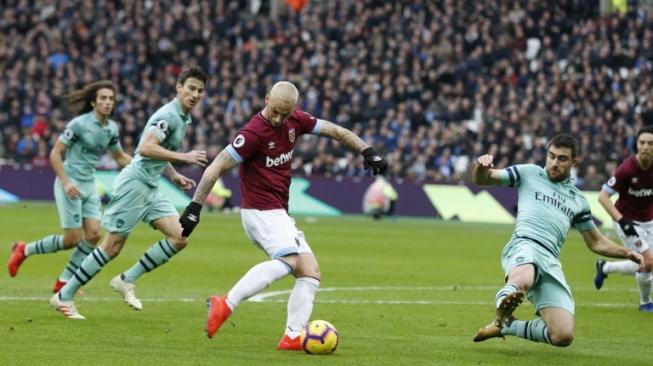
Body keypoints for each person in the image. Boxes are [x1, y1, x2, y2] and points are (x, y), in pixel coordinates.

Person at [178, 81, 387, 350]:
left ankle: (292, 335)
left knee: (310, 272)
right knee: (289, 260)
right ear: (266, 99)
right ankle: (225, 303)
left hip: (278, 212)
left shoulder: (296, 121)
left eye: (284, 114)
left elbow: (335, 131)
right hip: (260, 211)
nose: (278, 118)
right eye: (274, 111)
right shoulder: (253, 133)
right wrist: (195, 207)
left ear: (294, 109)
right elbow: (217, 165)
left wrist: (366, 150)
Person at [50, 65, 209, 319]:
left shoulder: (182, 117)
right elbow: (145, 148)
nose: (196, 94)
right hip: (135, 185)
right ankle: (64, 296)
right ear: (179, 87)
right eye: (191, 88)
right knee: (111, 247)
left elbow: (158, 151)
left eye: (200, 90)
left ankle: (126, 279)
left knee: (180, 236)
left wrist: (174, 174)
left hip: (152, 186)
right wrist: (184, 157)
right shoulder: (168, 115)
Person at [471, 134, 644, 347]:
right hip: (525, 243)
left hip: (551, 261)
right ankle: (503, 305)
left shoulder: (578, 200)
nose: (554, 163)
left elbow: (596, 242)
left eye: (562, 158)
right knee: (522, 279)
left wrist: (626, 252)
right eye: (551, 156)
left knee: (563, 336)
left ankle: (506, 326)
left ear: (574, 162)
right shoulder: (529, 173)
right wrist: (481, 166)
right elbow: (483, 179)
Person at [7, 80, 131, 293]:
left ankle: (63, 282)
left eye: (111, 99)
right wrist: (65, 182)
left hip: (89, 184)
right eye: (103, 98)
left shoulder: (111, 128)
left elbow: (119, 157)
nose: (108, 102)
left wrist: (143, 165)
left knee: (93, 235)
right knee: (72, 239)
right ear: (93, 102)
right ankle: (24, 249)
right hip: (70, 182)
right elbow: (55, 153)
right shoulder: (79, 124)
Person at [593, 126, 653, 312]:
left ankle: (605, 268)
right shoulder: (626, 169)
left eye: (650, 143)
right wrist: (622, 221)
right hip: (627, 221)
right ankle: (645, 303)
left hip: (648, 220)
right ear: (636, 144)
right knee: (648, 261)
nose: (645, 147)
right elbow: (603, 197)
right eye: (642, 142)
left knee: (646, 261)